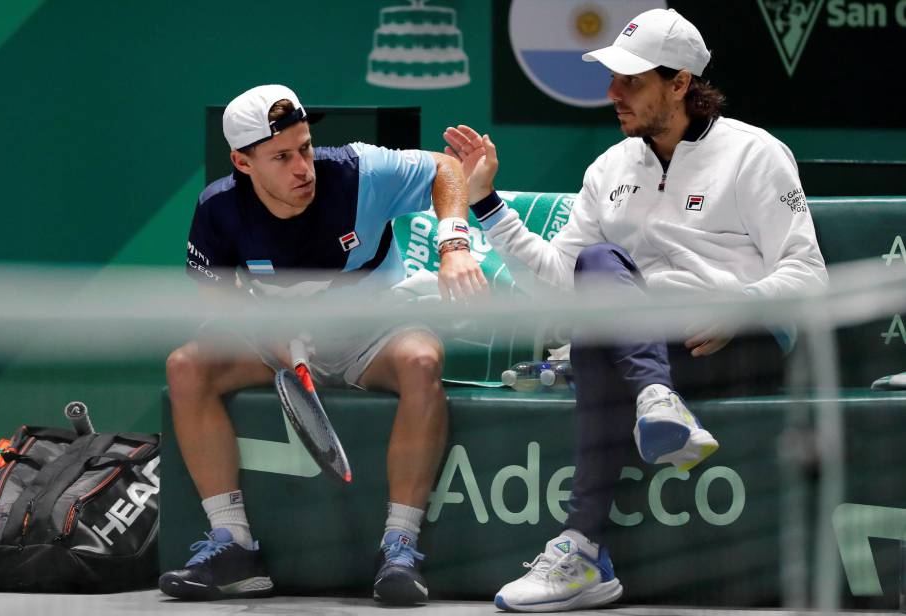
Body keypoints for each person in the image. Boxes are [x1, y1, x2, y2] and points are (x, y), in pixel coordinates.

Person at [443, 8, 828, 612]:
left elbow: (808, 272)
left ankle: (583, 548)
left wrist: (740, 308)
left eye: (631, 81)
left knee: (598, 342)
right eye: (612, 79)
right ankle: (654, 402)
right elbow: (560, 281)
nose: (612, 94)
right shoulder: (609, 168)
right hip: (648, 347)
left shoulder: (757, 155)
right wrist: (486, 201)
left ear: (680, 85)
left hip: (733, 344)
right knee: (596, 269)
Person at [160, 84, 487, 605]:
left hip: (373, 333)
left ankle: (399, 547)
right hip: (281, 343)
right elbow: (219, 300)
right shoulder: (219, 209)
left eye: (306, 147)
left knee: (422, 360)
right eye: (282, 157)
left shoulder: (359, 173)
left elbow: (446, 169)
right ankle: (233, 544)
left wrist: (453, 244)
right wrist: (276, 337)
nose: (303, 168)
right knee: (187, 366)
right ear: (243, 164)